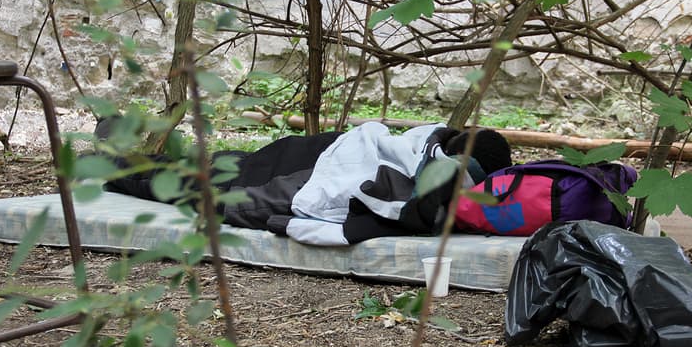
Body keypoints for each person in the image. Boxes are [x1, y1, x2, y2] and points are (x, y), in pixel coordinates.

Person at [101, 121, 512, 245]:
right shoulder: (421, 181)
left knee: (207, 167)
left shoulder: (422, 141)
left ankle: (118, 158)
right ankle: (110, 167)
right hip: (299, 174)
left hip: (304, 152)